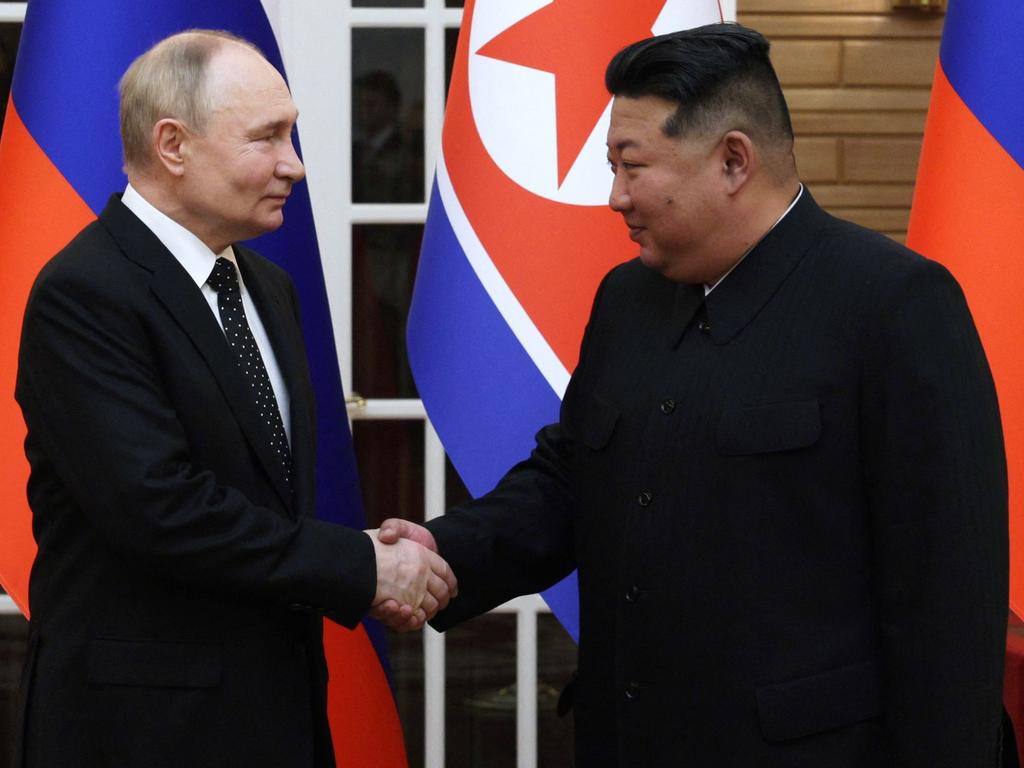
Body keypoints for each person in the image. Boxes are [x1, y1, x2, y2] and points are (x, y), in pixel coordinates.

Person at [378, 22, 1010, 767]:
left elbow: (947, 600)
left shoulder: (893, 306)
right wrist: (441, 553)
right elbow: (573, 483)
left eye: (631, 164)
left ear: (733, 160)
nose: (614, 196)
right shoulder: (627, 299)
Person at [14, 30, 454, 768]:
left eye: (293, 135)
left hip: (277, 712)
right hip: (145, 728)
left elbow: (264, 496)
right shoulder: (84, 293)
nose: (296, 165)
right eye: (267, 138)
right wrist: (359, 566)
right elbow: (161, 509)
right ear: (173, 145)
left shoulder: (265, 287)